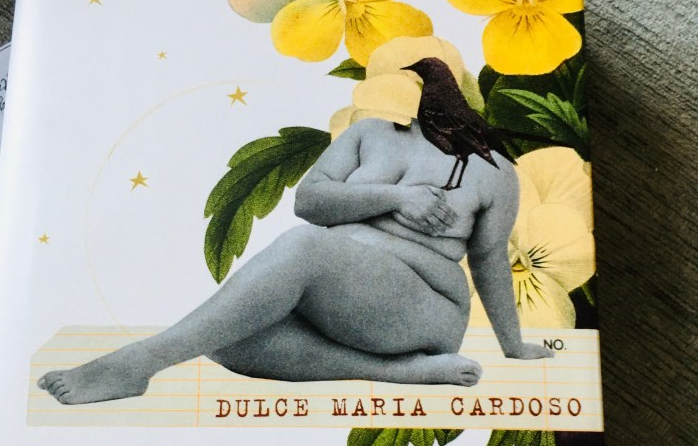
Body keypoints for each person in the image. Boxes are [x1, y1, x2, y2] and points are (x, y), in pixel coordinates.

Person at [38, 117, 551, 405]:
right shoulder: (368, 133)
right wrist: (396, 197)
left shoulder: (491, 170)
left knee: (304, 247)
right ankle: (401, 373)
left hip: (424, 305)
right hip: (336, 297)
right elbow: (309, 202)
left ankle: (138, 363)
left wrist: (514, 347)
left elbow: (489, 260)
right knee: (226, 339)